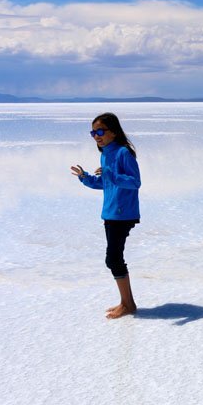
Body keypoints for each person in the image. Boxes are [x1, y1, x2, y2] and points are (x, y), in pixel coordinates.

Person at [71, 112, 141, 319]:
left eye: (100, 131)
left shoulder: (123, 153)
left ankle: (128, 304)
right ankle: (127, 302)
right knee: (114, 259)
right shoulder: (106, 154)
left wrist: (112, 174)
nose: (96, 136)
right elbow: (106, 183)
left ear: (113, 132)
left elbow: (135, 182)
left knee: (113, 259)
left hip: (123, 214)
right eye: (93, 132)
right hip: (110, 213)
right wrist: (86, 178)